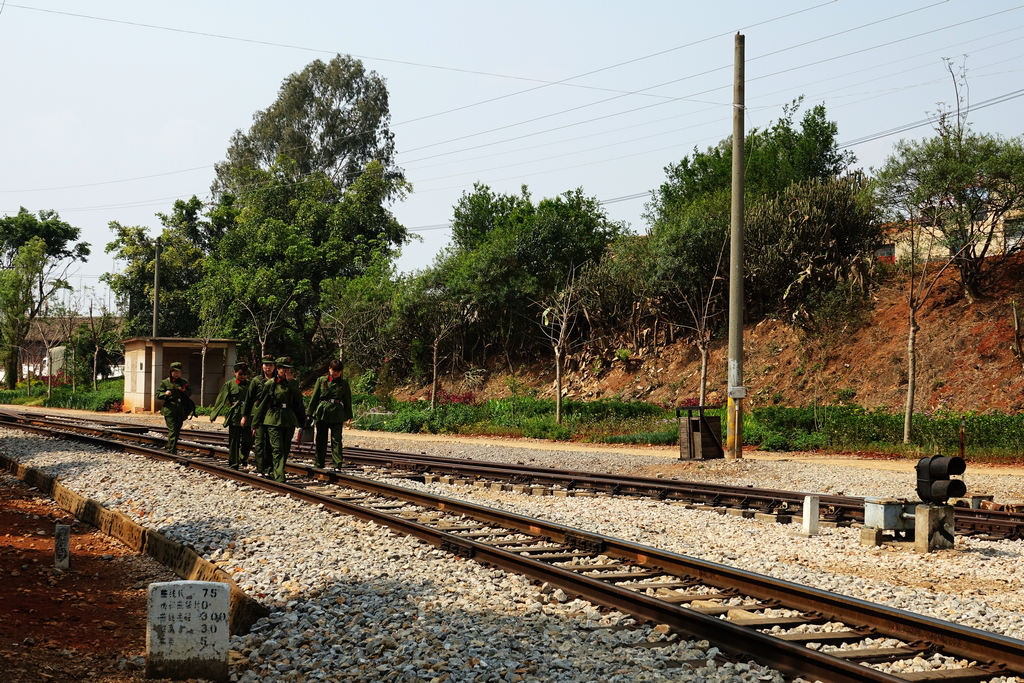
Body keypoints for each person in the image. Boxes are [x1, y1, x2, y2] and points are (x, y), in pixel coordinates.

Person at [253, 356, 305, 483]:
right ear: (278, 369)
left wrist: (303, 421)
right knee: (277, 449)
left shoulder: (293, 383)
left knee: (285, 448)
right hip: (273, 418)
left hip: (289, 418)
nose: (286, 372)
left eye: (289, 369)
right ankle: (279, 476)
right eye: (284, 369)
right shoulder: (271, 384)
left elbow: (298, 402)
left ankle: (274, 471)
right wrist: (255, 422)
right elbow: (263, 404)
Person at [307, 359, 353, 469]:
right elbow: (314, 398)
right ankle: (319, 463)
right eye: (333, 370)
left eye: (338, 370)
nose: (335, 372)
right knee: (321, 439)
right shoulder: (321, 380)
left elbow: (347, 400)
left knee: (336, 440)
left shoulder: (344, 384)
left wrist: (349, 416)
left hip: (337, 414)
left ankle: (337, 464)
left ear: (341, 371)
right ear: (329, 369)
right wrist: (309, 413)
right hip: (322, 413)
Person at [210, 362, 252, 470]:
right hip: (235, 415)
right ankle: (234, 463)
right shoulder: (229, 384)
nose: (243, 376)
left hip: (247, 415)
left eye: (245, 374)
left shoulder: (250, 384)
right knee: (234, 441)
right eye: (240, 374)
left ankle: (243, 457)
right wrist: (214, 414)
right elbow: (221, 399)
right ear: (235, 373)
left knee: (248, 440)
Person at [244, 354, 276, 476]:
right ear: (262, 367)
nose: (268, 367)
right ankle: (260, 467)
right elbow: (249, 399)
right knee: (259, 442)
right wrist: (245, 416)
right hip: (258, 414)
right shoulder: (256, 381)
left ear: (274, 367)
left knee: (270, 442)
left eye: (270, 365)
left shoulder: (277, 380)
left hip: (272, 414)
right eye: (266, 365)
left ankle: (269, 469)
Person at [156, 361, 190, 454]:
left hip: (180, 409)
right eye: (174, 372)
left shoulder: (184, 382)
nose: (176, 374)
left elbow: (189, 393)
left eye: (178, 372)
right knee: (172, 430)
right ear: (171, 372)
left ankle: (172, 448)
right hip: (170, 409)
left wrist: (184, 391)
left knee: (177, 430)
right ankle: (172, 451)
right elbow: (158, 394)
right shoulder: (165, 382)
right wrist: (165, 394)